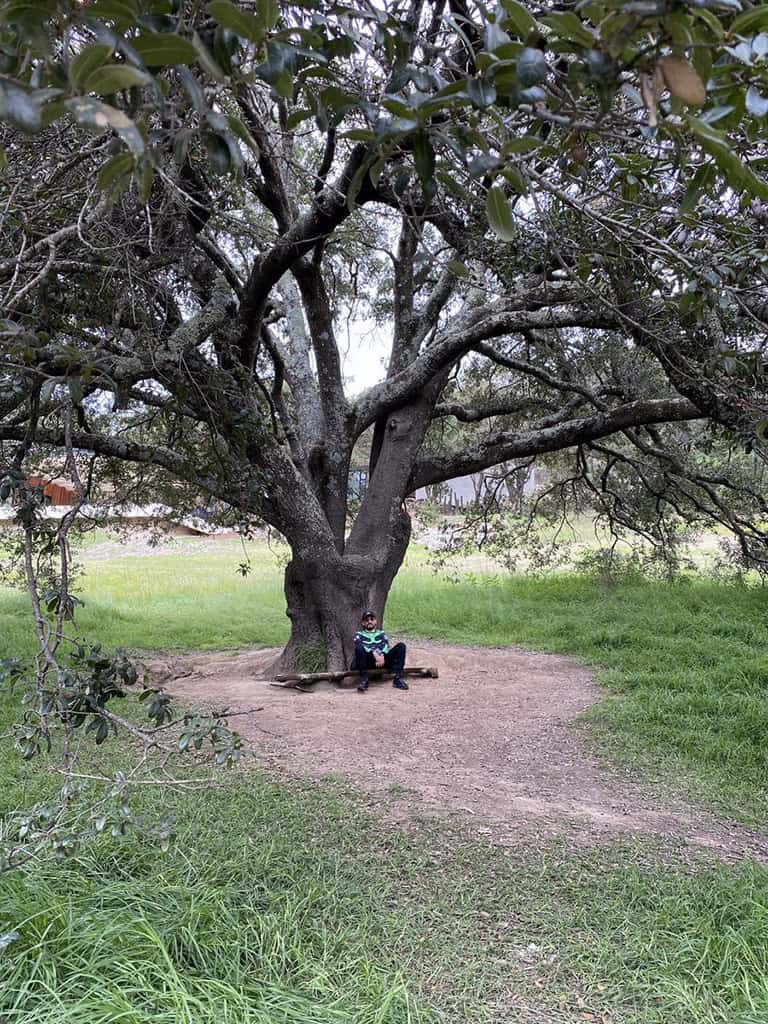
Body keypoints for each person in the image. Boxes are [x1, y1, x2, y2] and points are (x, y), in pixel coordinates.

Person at [352, 611, 408, 692]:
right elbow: (360, 645)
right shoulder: (359, 635)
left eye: (372, 619)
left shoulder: (381, 633)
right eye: (367, 620)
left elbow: (386, 646)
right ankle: (364, 680)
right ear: (363, 623)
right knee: (359, 649)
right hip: (369, 661)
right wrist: (374, 653)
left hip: (383, 659)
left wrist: (381, 656)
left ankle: (398, 679)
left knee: (401, 646)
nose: (369, 621)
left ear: (375, 622)